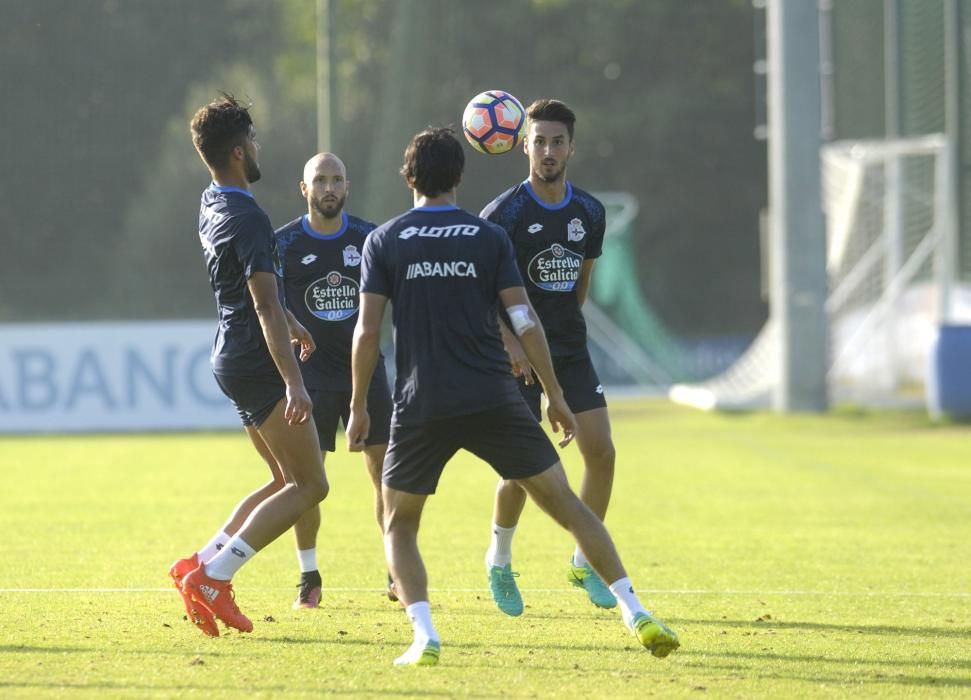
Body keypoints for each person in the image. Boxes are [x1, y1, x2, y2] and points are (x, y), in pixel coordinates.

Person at [346, 126, 679, 666]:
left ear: (409, 177)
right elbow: (525, 321)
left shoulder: (384, 240)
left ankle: (424, 634)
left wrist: (360, 404)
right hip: (494, 399)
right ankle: (634, 609)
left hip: (422, 403)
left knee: (399, 523)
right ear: (459, 176)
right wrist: (554, 395)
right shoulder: (487, 237)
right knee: (569, 507)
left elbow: (366, 333)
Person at [168, 94, 329, 637]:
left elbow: (250, 291)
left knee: (284, 477)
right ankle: (215, 576)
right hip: (256, 359)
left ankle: (199, 562)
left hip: (229, 353)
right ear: (239, 152)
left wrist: (293, 319)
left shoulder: (211, 201)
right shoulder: (253, 217)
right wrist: (294, 383)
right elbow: (261, 304)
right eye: (254, 141)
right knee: (311, 485)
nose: (259, 148)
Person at [479, 99, 618, 614]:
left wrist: (560, 335)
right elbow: (479, 293)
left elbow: (581, 284)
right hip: (513, 355)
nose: (548, 150)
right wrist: (511, 340)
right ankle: (499, 559)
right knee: (522, 469)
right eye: (539, 141)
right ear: (523, 146)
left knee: (601, 451)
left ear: (571, 147)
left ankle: (586, 561)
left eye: (557, 141)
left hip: (568, 349)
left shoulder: (589, 213)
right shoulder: (502, 215)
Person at [274, 152, 396, 607]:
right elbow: (266, 303)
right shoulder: (281, 244)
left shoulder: (370, 239)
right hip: (309, 380)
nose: (329, 188)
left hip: (366, 373)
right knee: (307, 482)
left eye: (337, 180)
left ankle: (394, 572)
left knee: (385, 476)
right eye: (320, 180)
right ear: (303, 188)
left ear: (347, 186)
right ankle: (309, 575)